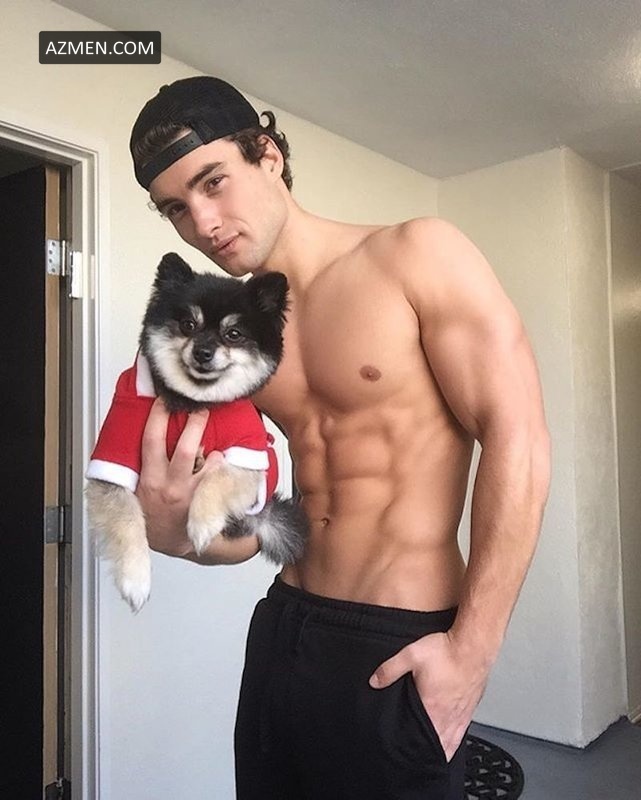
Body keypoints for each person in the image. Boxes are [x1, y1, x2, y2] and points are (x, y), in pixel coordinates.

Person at [129, 76, 551, 799]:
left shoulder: (414, 254)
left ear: (267, 155)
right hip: (283, 624)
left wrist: (472, 654)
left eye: (212, 182)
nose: (202, 223)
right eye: (176, 208)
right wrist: (178, 537)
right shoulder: (241, 334)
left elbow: (520, 440)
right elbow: (257, 526)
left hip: (396, 636)